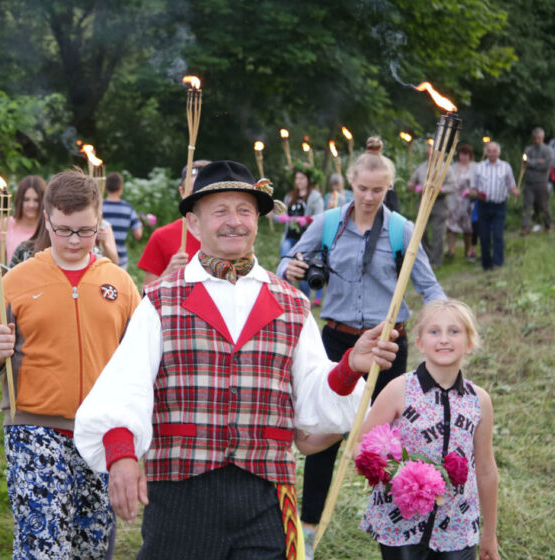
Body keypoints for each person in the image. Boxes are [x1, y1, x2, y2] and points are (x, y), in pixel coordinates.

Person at [74, 160, 401, 560]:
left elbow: (315, 400)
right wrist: (123, 457)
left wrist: (350, 366)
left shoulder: (292, 303)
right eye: (220, 211)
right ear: (194, 224)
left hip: (265, 496)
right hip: (180, 492)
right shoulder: (161, 300)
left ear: (258, 221)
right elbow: (125, 385)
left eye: (244, 210)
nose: (234, 222)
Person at [278, 150, 446, 558]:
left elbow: (429, 286)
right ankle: (310, 527)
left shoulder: (404, 229)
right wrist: (291, 269)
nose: (369, 197)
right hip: (337, 342)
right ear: (349, 184)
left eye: (378, 189)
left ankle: (399, 521)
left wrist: (445, 327)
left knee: (391, 438)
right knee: (325, 432)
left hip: (388, 345)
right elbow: (286, 262)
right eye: (362, 188)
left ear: (389, 187)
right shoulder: (328, 223)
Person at [0, 169, 141, 559]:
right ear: (46, 220)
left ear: (99, 223)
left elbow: (138, 361)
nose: (74, 241)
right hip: (34, 428)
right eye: (63, 230)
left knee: (92, 546)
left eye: (86, 231)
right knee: (43, 547)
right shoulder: (17, 280)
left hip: (101, 433)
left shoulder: (119, 283)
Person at [357, 299, 499, 560]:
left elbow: (487, 470)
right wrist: (393, 471)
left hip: (457, 525)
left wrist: (489, 534)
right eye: (434, 331)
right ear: (420, 342)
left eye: (454, 331)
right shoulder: (398, 391)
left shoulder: (479, 401)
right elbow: (359, 445)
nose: (444, 339)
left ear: (469, 343)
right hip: (401, 524)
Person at [137, 160, 210, 285]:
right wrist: (169, 273)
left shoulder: (230, 236)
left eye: (206, 192)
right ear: (182, 192)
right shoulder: (161, 236)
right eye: (193, 192)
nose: (199, 199)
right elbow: (145, 296)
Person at [278, 162, 325, 304]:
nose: (299, 181)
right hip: (291, 237)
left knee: (303, 266)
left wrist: (307, 219)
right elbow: (282, 214)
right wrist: (279, 216)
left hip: (306, 238)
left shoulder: (315, 197)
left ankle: (304, 297)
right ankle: (288, 293)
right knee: (286, 258)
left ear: (308, 180)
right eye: (297, 178)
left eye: (302, 178)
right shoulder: (290, 196)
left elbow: (321, 216)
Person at [471, 142, 518, 271]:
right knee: (484, 235)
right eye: (489, 151)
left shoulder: (505, 167)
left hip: (499, 205)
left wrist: (515, 192)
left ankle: (498, 261)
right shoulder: (479, 167)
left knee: (498, 234)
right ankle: (486, 262)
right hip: (483, 205)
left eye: (494, 151)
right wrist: (474, 193)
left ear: (498, 153)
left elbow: (511, 185)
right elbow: (474, 187)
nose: (491, 153)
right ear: (486, 152)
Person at [410, 144, 457, 269]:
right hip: (423, 202)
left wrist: (441, 189)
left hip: (439, 202)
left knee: (438, 233)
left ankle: (436, 262)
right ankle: (427, 256)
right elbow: (411, 182)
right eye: (428, 155)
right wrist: (414, 186)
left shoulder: (446, 168)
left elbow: (453, 186)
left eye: (433, 155)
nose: (430, 157)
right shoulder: (421, 168)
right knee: (421, 231)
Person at [102, 171, 143, 269]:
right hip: (121, 259)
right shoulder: (128, 208)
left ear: (106, 187)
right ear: (121, 188)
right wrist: (141, 222)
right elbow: (138, 235)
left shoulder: (99, 206)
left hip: (101, 257)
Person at [2, 175, 46, 264]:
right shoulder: (6, 225)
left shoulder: (48, 227)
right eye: (26, 199)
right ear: (19, 200)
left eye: (36, 200)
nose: (31, 205)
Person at [521, 127, 554, 234]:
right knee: (527, 205)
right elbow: (524, 163)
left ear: (543, 137)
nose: (537, 140)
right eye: (535, 138)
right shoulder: (528, 149)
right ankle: (525, 227)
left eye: (539, 137)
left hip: (541, 181)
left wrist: (532, 163)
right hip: (529, 182)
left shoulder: (548, 150)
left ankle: (548, 225)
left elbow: (546, 165)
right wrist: (537, 162)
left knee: (543, 205)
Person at [447, 144, 476, 261]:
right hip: (454, 201)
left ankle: (468, 250)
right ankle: (451, 251)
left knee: (468, 228)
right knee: (451, 226)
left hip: (469, 202)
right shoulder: (452, 167)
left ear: (470, 156)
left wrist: (471, 191)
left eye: (466, 154)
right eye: (461, 154)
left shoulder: (475, 167)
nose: (463, 157)